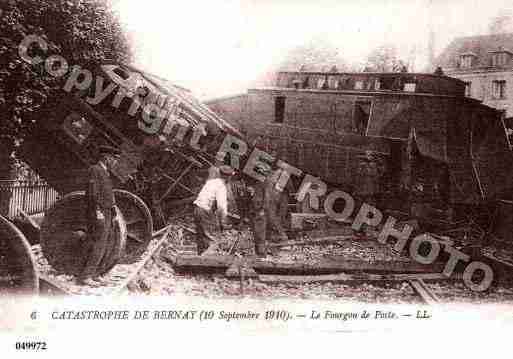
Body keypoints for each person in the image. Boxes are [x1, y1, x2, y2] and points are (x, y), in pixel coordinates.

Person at [78, 145, 120, 286]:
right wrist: (98, 212)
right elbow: (92, 193)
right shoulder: (95, 170)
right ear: (106, 158)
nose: (115, 162)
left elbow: (107, 193)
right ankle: (86, 276)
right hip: (99, 213)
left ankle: (96, 274)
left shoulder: (105, 171)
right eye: (113, 159)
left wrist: (112, 211)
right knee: (97, 244)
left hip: (106, 212)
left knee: (103, 244)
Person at [193, 165, 234, 255]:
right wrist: (223, 222)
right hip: (205, 211)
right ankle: (208, 260)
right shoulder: (221, 187)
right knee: (211, 238)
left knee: (201, 237)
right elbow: (221, 207)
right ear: (228, 177)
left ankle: (200, 258)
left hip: (197, 209)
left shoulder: (211, 182)